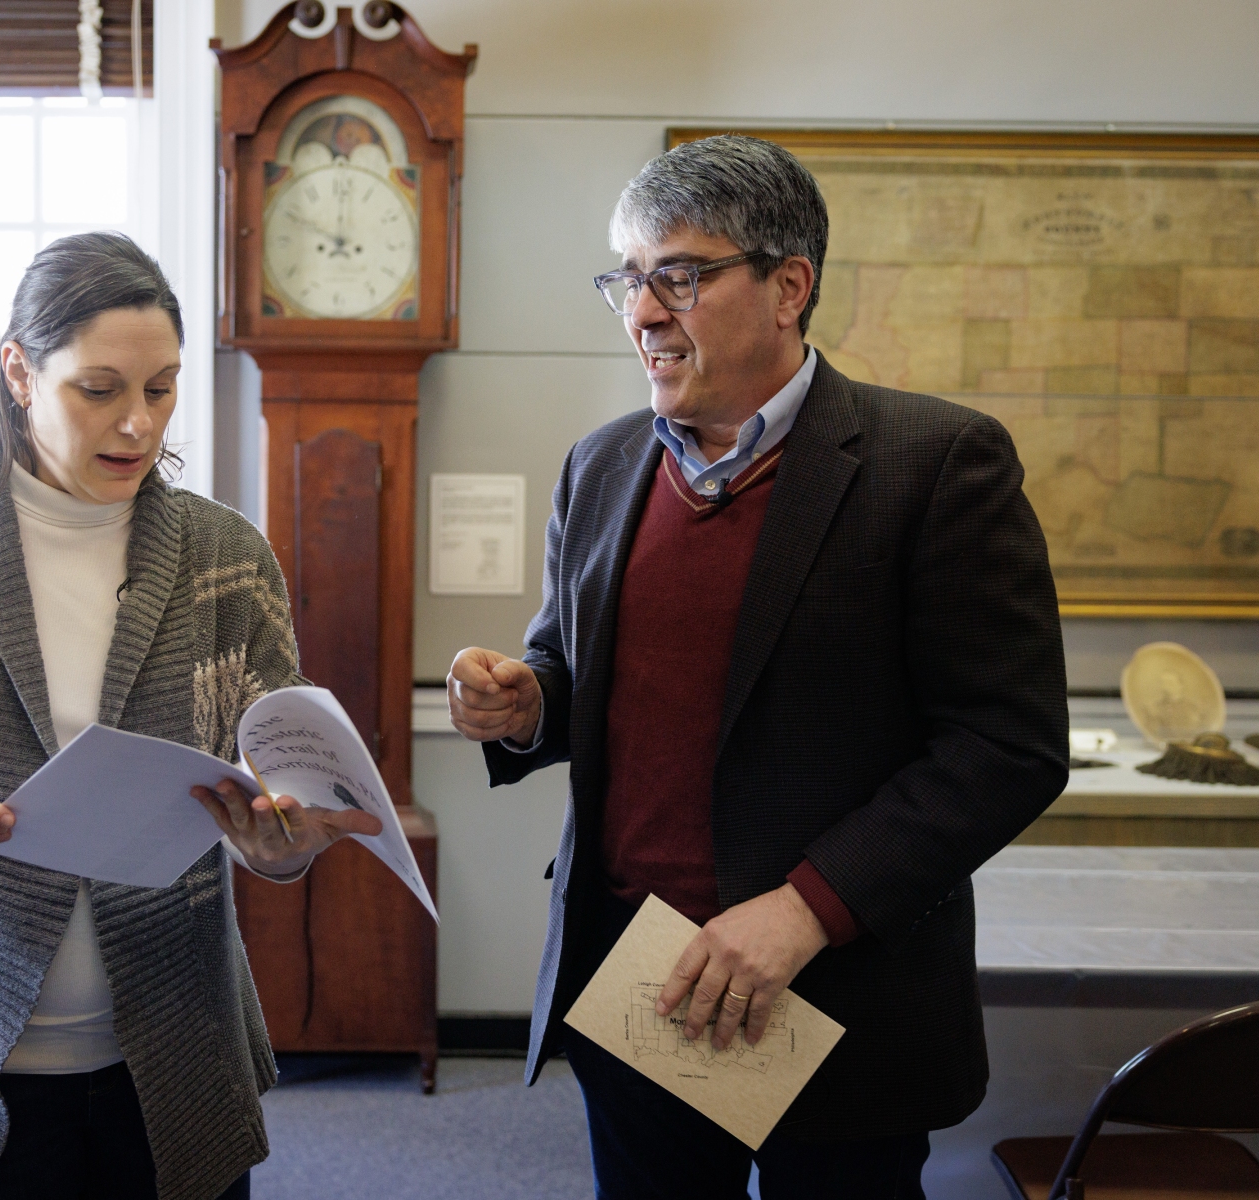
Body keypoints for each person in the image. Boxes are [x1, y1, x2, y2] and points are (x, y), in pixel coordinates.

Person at [446, 135, 1068, 1198]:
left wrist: (805, 910)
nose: (644, 314)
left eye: (680, 277)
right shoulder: (601, 464)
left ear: (789, 288)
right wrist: (526, 701)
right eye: (629, 280)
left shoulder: (936, 464)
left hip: (835, 990)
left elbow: (1007, 746)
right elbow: (571, 662)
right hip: (639, 978)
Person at [0, 231, 380, 1200]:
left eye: (162, 389)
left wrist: (281, 847)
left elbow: (272, 795)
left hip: (173, 1056)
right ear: (19, 371)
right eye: (99, 390)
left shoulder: (227, 561)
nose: (139, 424)